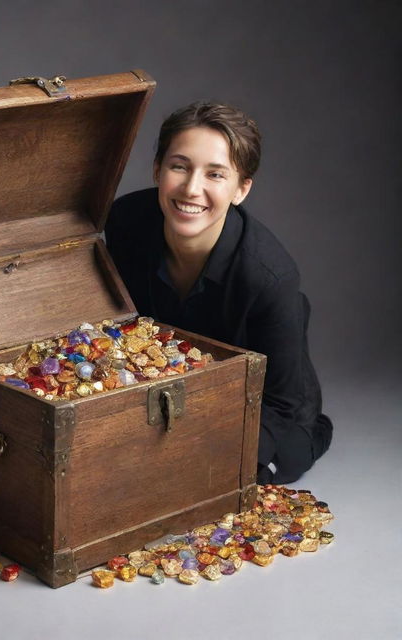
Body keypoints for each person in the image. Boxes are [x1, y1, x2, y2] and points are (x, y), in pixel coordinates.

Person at [105, 102, 332, 484]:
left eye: (215, 174)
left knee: (278, 463)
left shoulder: (270, 276)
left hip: (265, 392)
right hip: (171, 373)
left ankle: (316, 432)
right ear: (157, 169)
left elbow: (279, 401)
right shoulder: (125, 220)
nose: (192, 189)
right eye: (179, 166)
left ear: (241, 190)